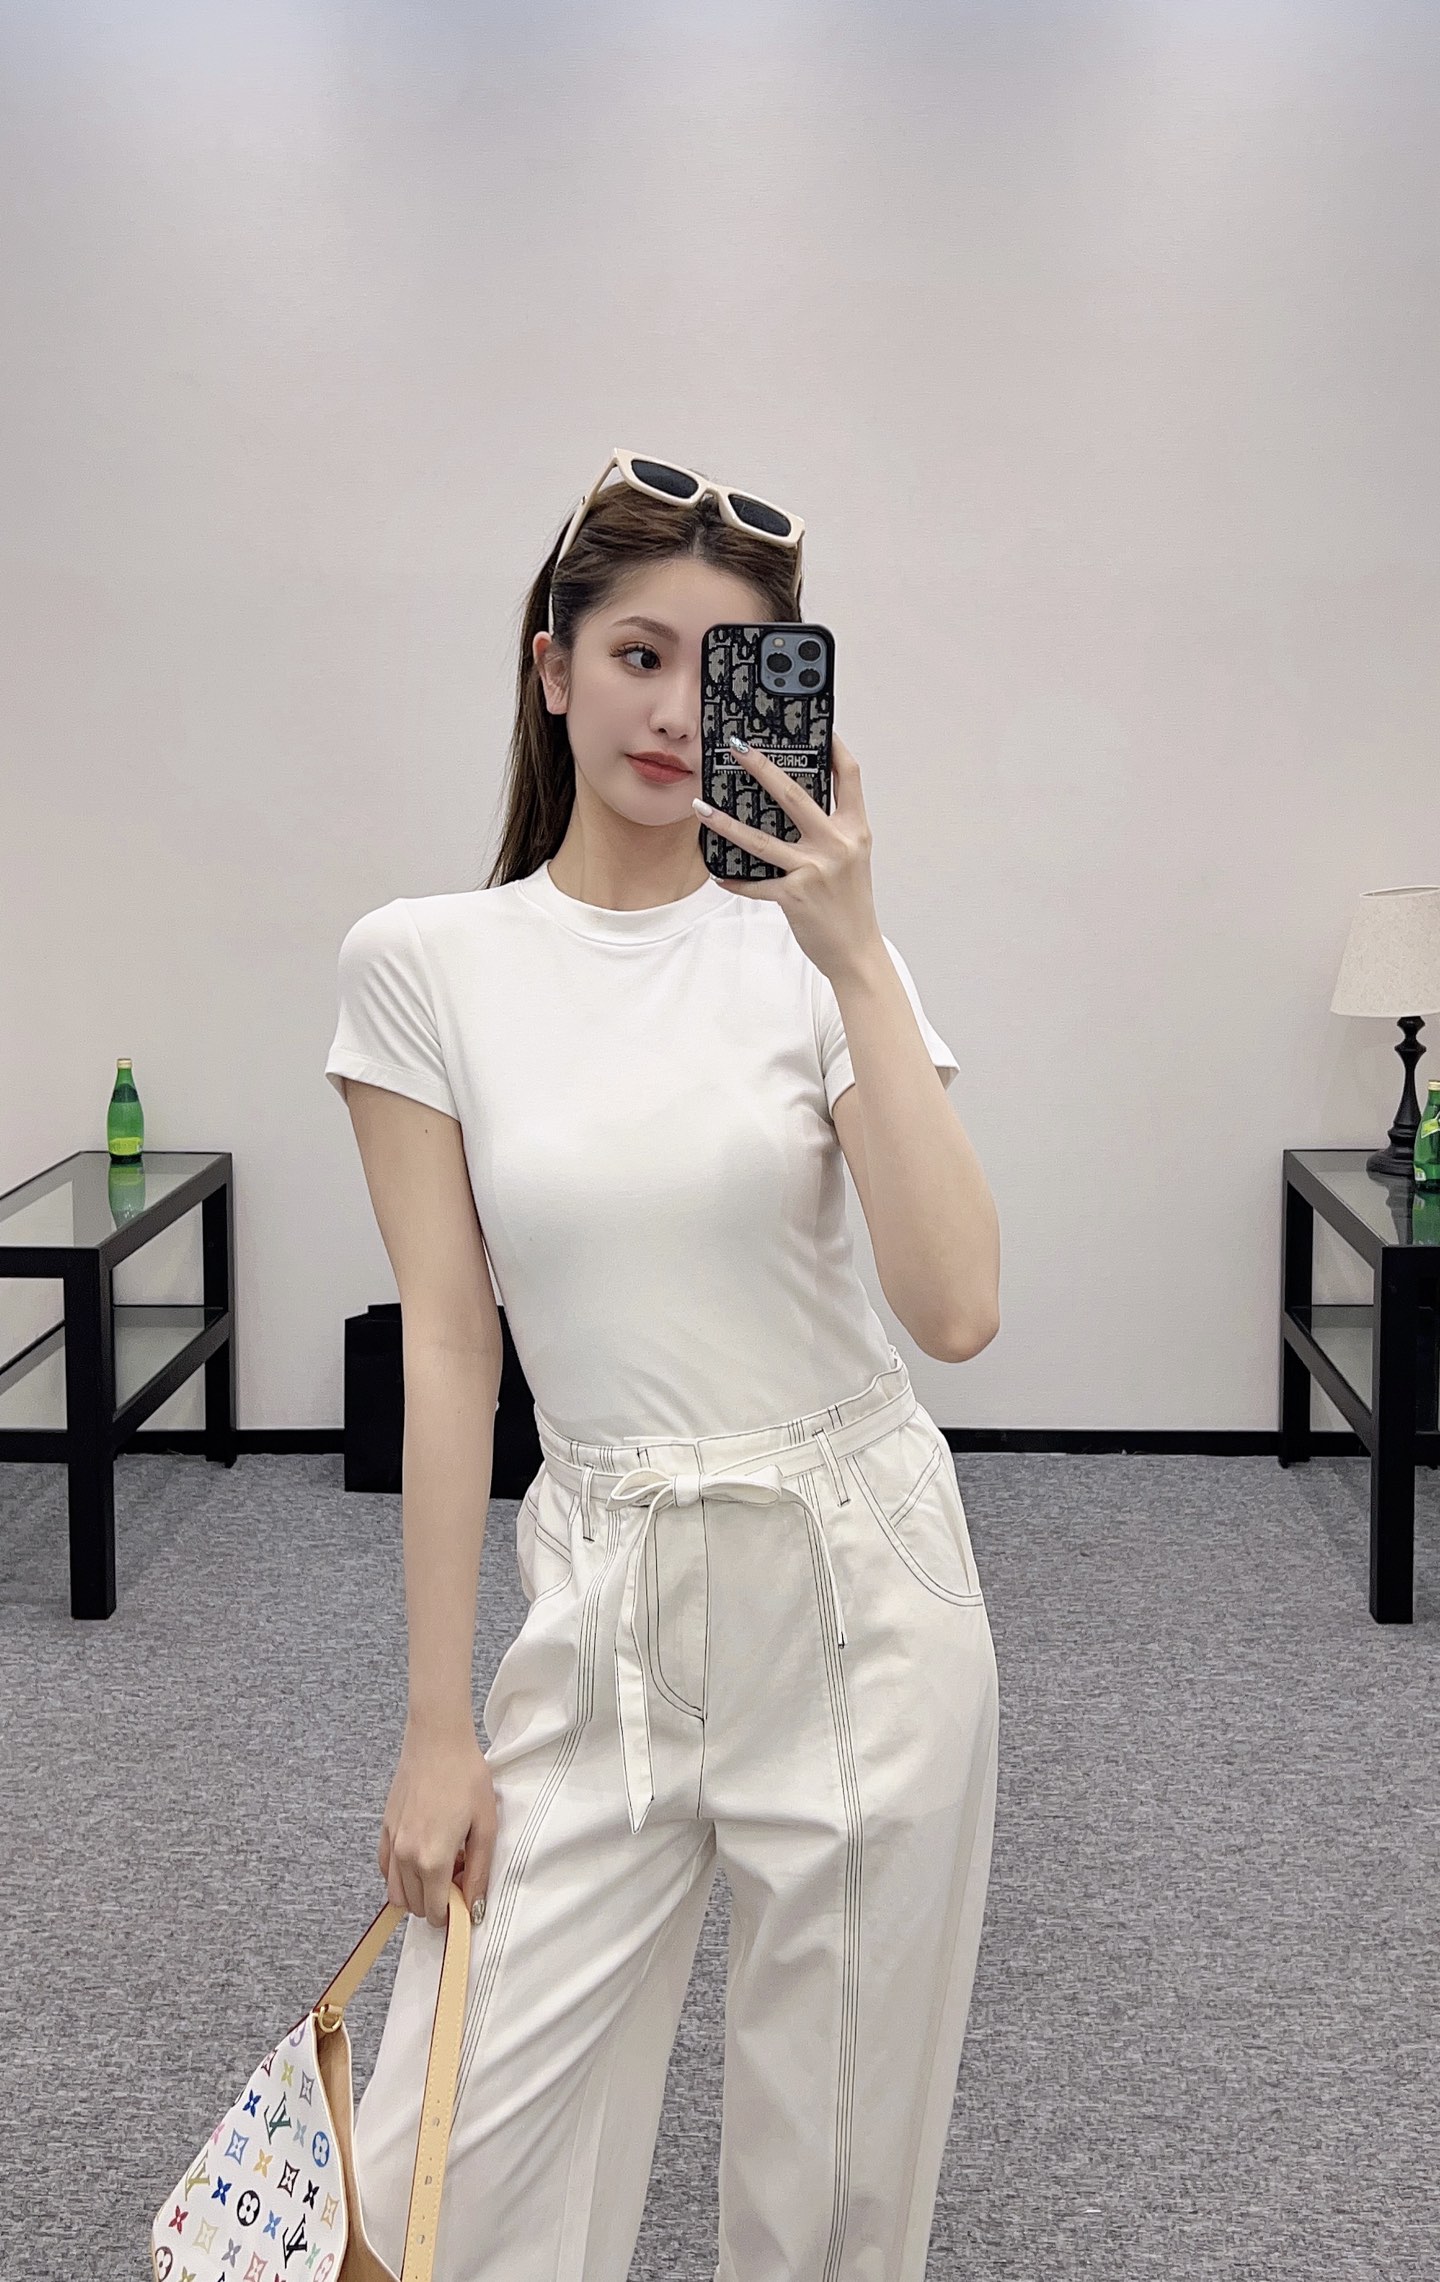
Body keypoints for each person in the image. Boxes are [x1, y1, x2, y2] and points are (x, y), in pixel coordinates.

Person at [322, 449, 1002, 2282]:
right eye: (639, 654)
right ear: (551, 666)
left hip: (859, 1590)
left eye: (728, 669)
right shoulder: (426, 963)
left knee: (830, 2202)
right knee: (431, 2177)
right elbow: (450, 1341)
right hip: (604, 1597)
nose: (679, 712)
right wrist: (437, 1727)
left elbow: (955, 1307)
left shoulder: (814, 954)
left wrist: (854, 954)